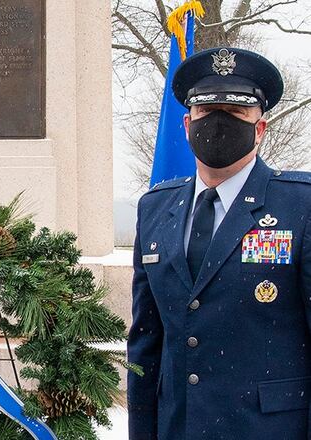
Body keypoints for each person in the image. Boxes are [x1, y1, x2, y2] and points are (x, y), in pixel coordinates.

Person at [128, 47, 311, 439]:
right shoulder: (156, 209)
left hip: (269, 429)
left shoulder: (301, 205)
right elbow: (146, 342)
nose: (218, 123)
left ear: (259, 128)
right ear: (187, 123)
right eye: (207, 112)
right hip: (179, 428)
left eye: (235, 113)